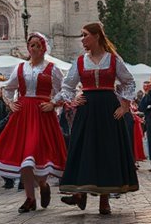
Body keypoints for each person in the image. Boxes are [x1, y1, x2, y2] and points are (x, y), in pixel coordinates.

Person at [56, 22, 138, 216]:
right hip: (87, 108)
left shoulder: (113, 59)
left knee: (107, 150)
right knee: (85, 149)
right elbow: (66, 86)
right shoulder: (79, 61)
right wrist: (73, 99)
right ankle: (81, 191)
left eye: (85, 35)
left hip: (109, 108)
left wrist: (125, 105)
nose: (82, 39)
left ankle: (104, 199)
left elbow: (129, 81)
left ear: (97, 36)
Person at [0, 33, 67, 213]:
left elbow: (64, 91)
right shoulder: (20, 68)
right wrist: (11, 103)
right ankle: (30, 198)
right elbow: (8, 88)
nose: (33, 48)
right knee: (25, 160)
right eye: (31, 45)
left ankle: (43, 184)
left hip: (42, 115)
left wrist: (52, 103)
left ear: (43, 47)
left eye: (37, 45)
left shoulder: (52, 69)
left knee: (36, 154)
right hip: (23, 115)